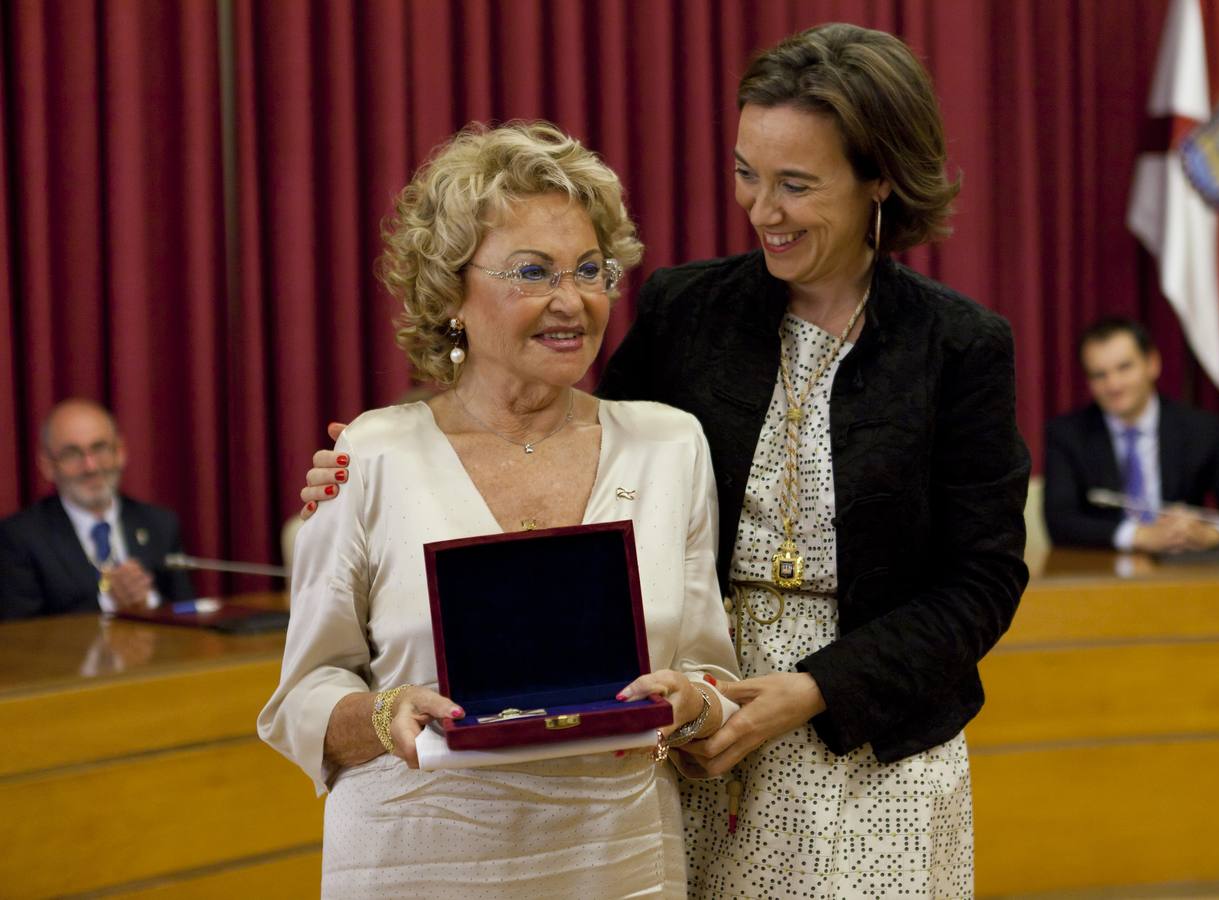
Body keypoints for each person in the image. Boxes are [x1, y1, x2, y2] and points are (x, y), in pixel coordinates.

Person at [305, 24, 1030, 897]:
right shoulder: (692, 310)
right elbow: (559, 429)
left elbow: (982, 580)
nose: (763, 209)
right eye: (746, 172)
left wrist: (813, 689)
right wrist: (381, 454)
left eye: (796, 184)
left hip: (871, 735)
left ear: (878, 178)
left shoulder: (958, 345)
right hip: (692, 739)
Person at [258, 122, 740, 898]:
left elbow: (711, 673)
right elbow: (302, 701)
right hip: (417, 855)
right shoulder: (369, 456)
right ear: (452, 290)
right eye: (532, 272)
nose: (571, 300)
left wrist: (693, 704)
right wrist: (385, 717)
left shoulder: (669, 445)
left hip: (615, 860)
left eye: (591, 269)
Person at [1043, 316, 1219, 552]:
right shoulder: (1067, 434)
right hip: (1101, 575)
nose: (1113, 385)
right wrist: (1140, 536)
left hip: (1181, 572)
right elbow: (1060, 523)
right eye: (1099, 375)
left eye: (1124, 368)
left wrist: (1210, 535)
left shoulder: (1199, 429)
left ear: (1152, 364)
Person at [0, 398, 195, 619]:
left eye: (99, 448)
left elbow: (186, 612)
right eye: (72, 454)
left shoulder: (160, 524)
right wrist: (110, 603)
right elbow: (20, 635)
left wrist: (148, 600)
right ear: (47, 466)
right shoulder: (19, 537)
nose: (90, 466)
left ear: (120, 453)